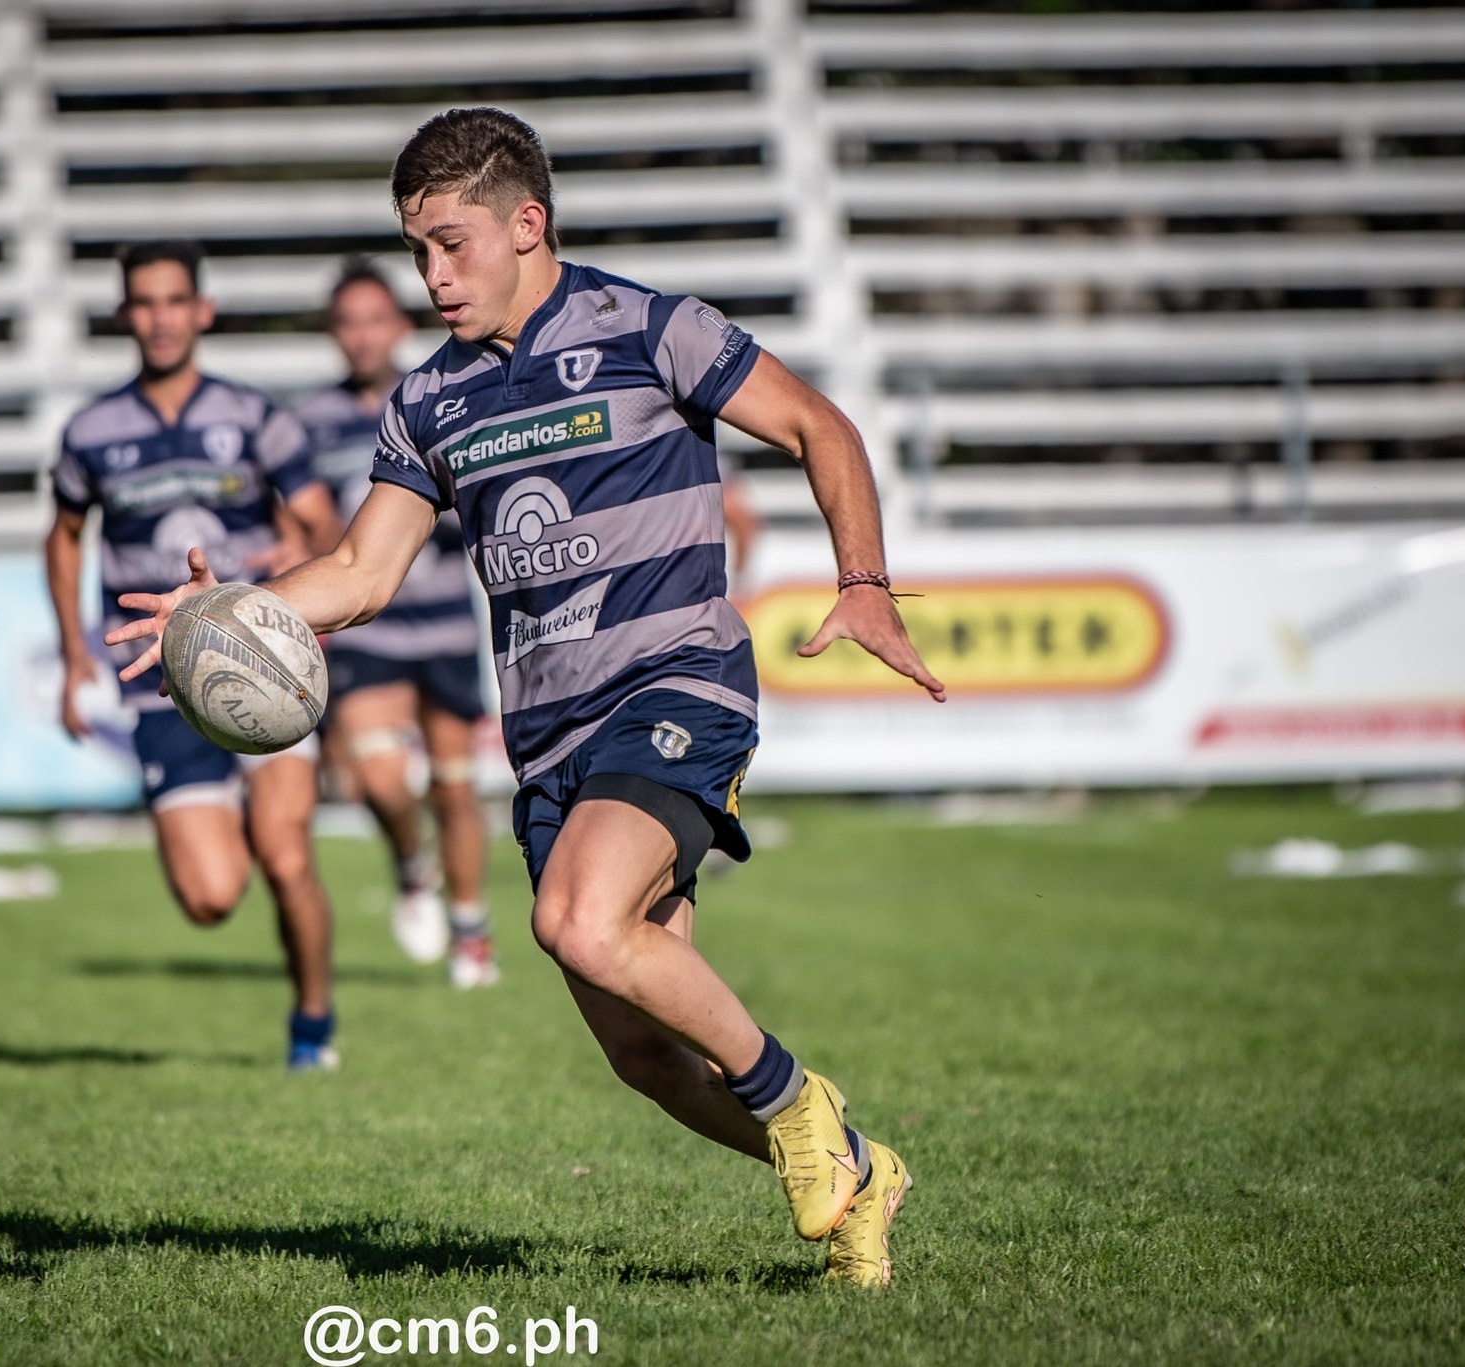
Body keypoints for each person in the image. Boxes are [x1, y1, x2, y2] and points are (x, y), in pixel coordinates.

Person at [110, 110, 945, 1285]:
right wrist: (229, 608)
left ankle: (800, 1105)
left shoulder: (654, 328)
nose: (433, 276)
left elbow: (819, 424)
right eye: (417, 254)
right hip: (547, 740)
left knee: (572, 920)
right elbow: (357, 572)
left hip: (676, 686)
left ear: (526, 223)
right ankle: (859, 1163)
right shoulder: (427, 402)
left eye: (451, 245)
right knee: (646, 1057)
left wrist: (863, 583)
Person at [45, 240, 346, 1070]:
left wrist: (294, 570)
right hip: (160, 686)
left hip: (262, 667)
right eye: (145, 303)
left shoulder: (255, 417)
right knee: (212, 897)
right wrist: (74, 650)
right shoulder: (90, 431)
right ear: (125, 316)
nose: (161, 317)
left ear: (202, 311)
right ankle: (224, 814)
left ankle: (313, 1026)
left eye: (176, 300)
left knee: (287, 857)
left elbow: (323, 524)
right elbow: (64, 538)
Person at [293, 260, 498, 988]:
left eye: (375, 319)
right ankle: (414, 863)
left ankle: (471, 930)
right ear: (334, 334)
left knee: (453, 785)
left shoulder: (443, 396)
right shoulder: (310, 420)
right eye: (348, 322)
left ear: (400, 325)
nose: (362, 335)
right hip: (366, 626)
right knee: (379, 777)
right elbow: (303, 517)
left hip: (444, 623)